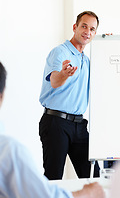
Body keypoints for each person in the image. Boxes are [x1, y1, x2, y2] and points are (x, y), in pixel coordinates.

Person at [0, 61, 106, 198]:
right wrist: (86, 193)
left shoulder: (88, 59)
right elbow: (44, 195)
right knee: (53, 175)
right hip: (56, 121)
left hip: (79, 123)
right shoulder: (9, 151)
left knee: (93, 172)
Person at [39, 11, 100, 180]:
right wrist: (64, 74)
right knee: (54, 178)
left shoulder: (86, 61)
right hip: (56, 123)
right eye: (84, 26)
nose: (87, 31)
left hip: (79, 125)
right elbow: (55, 81)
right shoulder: (60, 52)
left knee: (93, 177)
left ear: (95, 34)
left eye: (92, 29)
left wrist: (108, 46)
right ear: (75, 27)